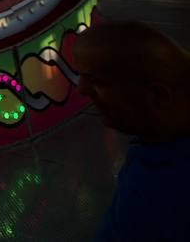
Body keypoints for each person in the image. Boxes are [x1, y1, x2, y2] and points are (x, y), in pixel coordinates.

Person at [70, 21, 190, 242]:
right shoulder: (155, 143)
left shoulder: (164, 194)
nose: (82, 90)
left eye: (95, 80)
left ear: (157, 96)